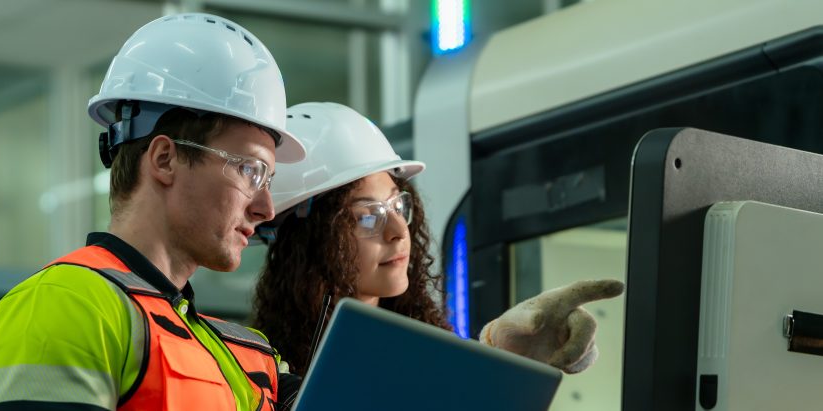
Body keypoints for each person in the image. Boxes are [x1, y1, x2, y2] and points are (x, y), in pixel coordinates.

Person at [0, 13, 304, 411]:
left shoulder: (235, 353)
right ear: (165, 159)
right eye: (250, 171)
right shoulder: (64, 305)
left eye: (268, 180)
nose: (266, 208)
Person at [252, 102, 625, 383]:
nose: (399, 230)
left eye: (398, 206)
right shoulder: (261, 373)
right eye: (367, 216)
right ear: (304, 241)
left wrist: (505, 359)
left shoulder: (421, 355)